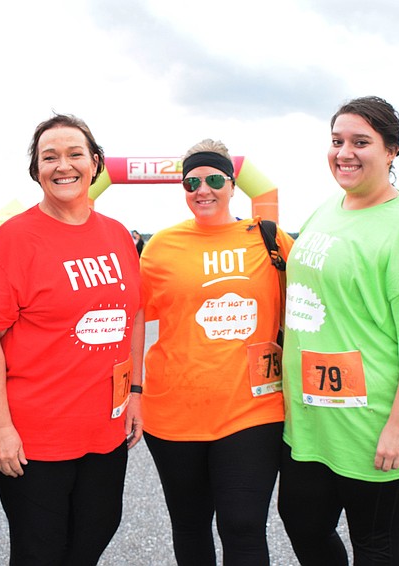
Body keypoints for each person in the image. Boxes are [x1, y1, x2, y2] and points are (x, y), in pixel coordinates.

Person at [277, 96, 399, 565]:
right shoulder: (328, 208)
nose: (344, 152)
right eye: (337, 141)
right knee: (301, 522)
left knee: (375, 543)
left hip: (378, 422)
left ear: (391, 152)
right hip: (316, 419)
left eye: (361, 142)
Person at [0, 114, 144, 565]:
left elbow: (136, 314)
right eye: (49, 157)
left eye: (74, 154)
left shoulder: (119, 236)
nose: (62, 165)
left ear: (95, 163)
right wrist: (1, 428)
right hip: (34, 437)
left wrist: (136, 394)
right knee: (40, 551)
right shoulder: (9, 243)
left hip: (103, 429)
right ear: (36, 171)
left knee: (98, 530)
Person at [139, 139, 295, 565]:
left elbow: (307, 305)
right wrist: (132, 390)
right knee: (189, 525)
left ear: (231, 184)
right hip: (173, 411)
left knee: (243, 526)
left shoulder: (268, 238)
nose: (202, 190)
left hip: (253, 408)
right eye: (192, 182)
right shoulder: (161, 247)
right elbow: (132, 317)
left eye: (212, 179)